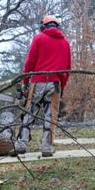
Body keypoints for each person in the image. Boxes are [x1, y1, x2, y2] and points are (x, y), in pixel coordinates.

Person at [14, 15, 71, 157]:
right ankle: (46, 146)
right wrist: (62, 86)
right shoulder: (65, 43)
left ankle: (21, 143)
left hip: (38, 81)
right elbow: (67, 68)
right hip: (55, 83)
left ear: (44, 26)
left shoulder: (39, 38)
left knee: (29, 112)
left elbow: (30, 62)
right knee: (50, 116)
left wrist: (26, 82)